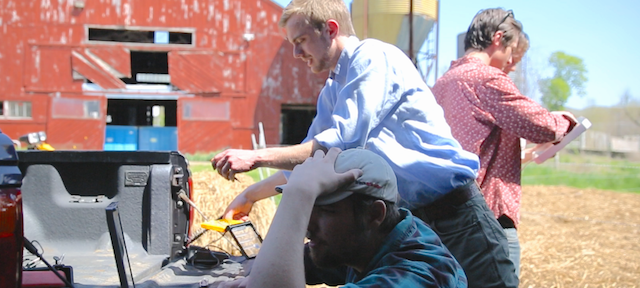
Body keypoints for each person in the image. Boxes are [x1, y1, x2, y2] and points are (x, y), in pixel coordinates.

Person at [213, 1, 517, 287]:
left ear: (330, 29)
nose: (296, 53)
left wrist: (255, 158)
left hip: (456, 217)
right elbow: (318, 160)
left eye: (300, 41)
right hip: (405, 222)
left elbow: (342, 143)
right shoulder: (334, 88)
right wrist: (251, 195)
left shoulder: (371, 57)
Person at [432, 8, 577, 279]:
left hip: (444, 216)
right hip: (485, 219)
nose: (511, 60)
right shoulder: (486, 77)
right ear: (498, 38)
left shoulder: (442, 83)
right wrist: (566, 121)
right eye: (511, 49)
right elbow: (540, 126)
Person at [219, 148, 468, 288]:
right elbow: (292, 265)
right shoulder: (366, 240)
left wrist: (298, 198)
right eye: (310, 210)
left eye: (326, 211)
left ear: (375, 214)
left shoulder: (416, 277)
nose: (307, 229)